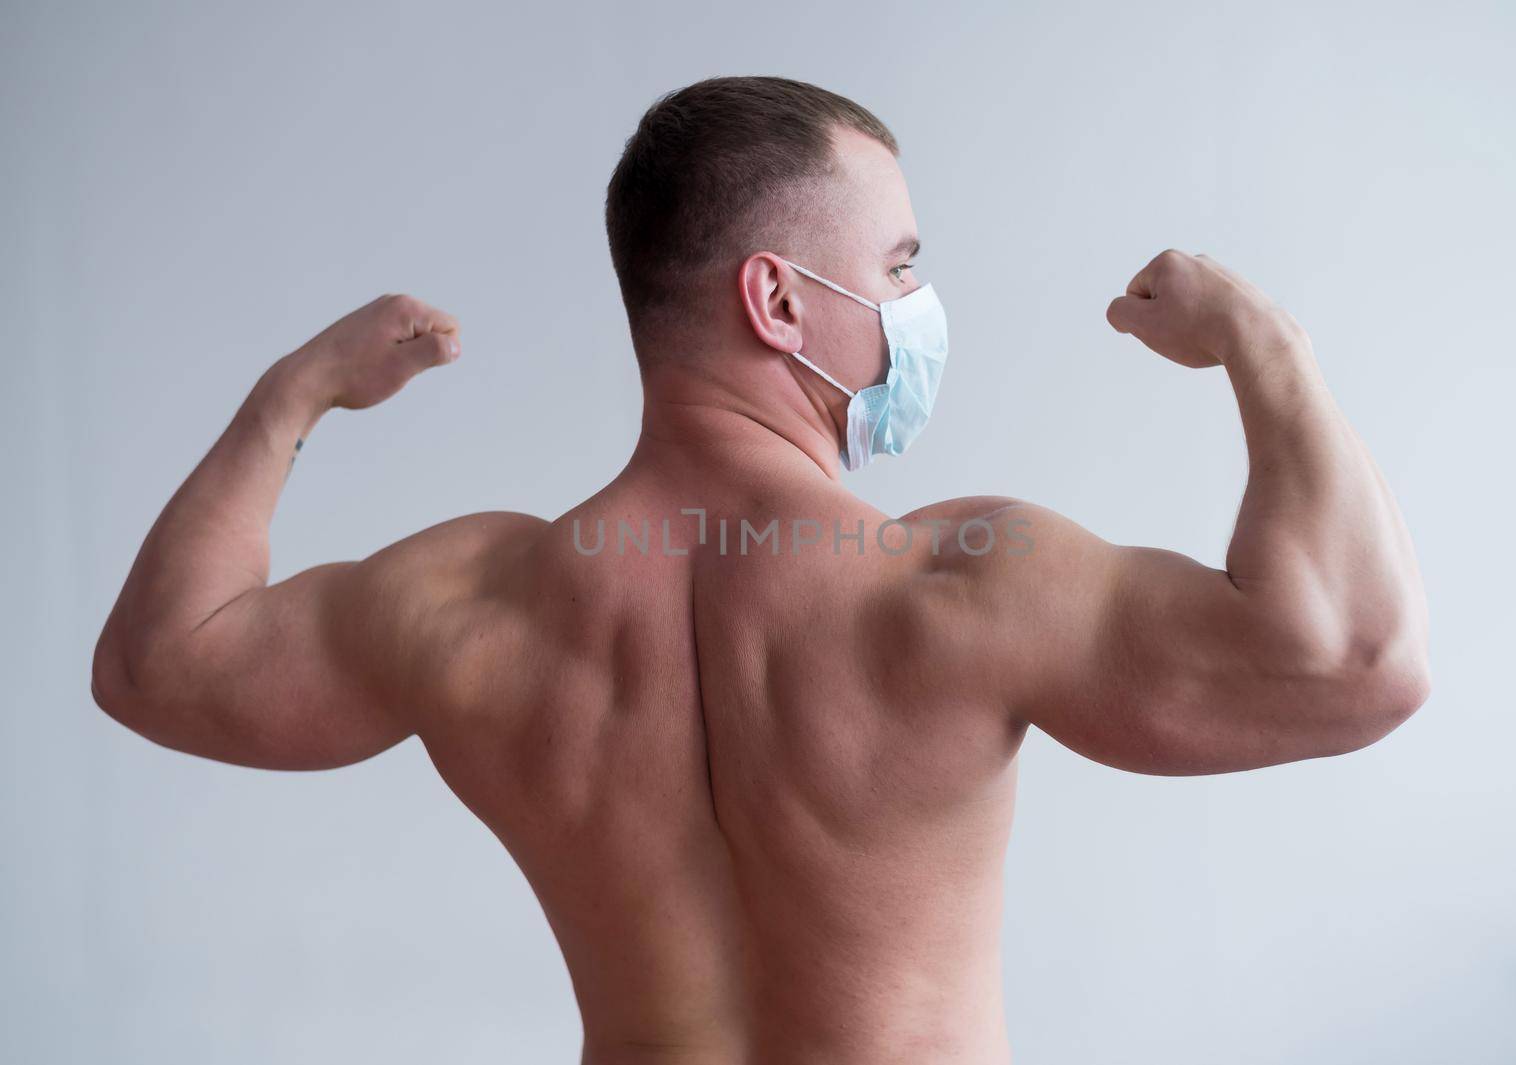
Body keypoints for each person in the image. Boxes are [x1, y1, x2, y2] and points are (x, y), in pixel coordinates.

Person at [90, 76, 1430, 1064]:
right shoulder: (958, 578)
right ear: (779, 301)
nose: (917, 307)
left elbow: (160, 661)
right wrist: (1268, 344)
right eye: (899, 266)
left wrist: (298, 393)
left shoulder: (478, 602)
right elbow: (1357, 661)